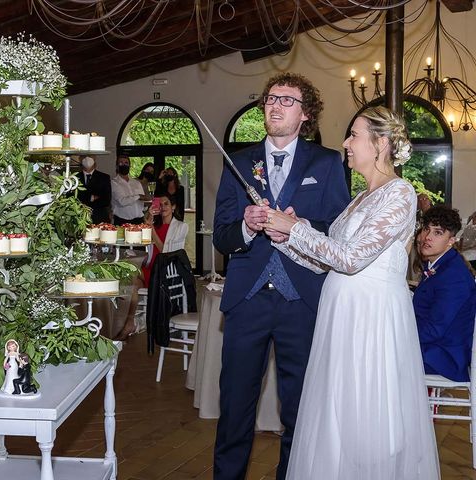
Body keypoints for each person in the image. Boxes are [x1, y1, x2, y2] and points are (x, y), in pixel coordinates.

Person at [263, 106, 439, 479]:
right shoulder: (358, 200)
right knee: (338, 410)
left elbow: (352, 259)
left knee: (368, 410)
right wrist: (283, 235)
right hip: (340, 314)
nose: (345, 143)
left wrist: (295, 228)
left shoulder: (401, 193)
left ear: (381, 144)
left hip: (371, 317)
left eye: (354, 135)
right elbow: (323, 261)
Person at [212, 72, 350, 480]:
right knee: (235, 407)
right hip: (246, 301)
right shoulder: (239, 162)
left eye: (287, 100)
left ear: (305, 114)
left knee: (299, 409)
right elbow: (221, 235)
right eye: (272, 99)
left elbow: (338, 230)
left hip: (302, 301)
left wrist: (300, 225)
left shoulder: (326, 163)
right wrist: (246, 226)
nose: (275, 105)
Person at [414, 205, 476, 381]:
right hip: (433, 347)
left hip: (443, 358)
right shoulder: (441, 265)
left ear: (451, 241)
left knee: (375, 354)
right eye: (426, 229)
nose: (427, 237)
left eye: (438, 232)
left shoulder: (453, 277)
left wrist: (397, 334)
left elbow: (434, 329)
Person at [115, 193, 189, 341]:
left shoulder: (181, 226)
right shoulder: (154, 224)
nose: (162, 207)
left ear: (173, 207)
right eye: (160, 205)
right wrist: (148, 218)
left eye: (166, 204)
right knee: (131, 279)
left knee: (132, 273)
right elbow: (142, 235)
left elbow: (165, 252)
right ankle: (129, 322)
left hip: (166, 271)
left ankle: (133, 323)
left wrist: (152, 229)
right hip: (150, 268)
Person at [111, 155, 148, 225]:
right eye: (121, 163)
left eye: (126, 163)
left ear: (129, 166)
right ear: (117, 166)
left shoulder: (136, 183)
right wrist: (138, 196)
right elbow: (122, 202)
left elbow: (142, 203)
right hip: (122, 221)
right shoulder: (114, 183)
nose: (124, 165)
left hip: (139, 221)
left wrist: (146, 204)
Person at [76, 156, 112, 224]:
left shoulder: (104, 177)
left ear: (95, 159)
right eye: (84, 156)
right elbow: (74, 198)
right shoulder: (75, 178)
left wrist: (84, 198)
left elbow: (106, 200)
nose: (87, 159)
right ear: (80, 159)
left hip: (99, 218)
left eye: (90, 156)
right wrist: (92, 197)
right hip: (80, 219)